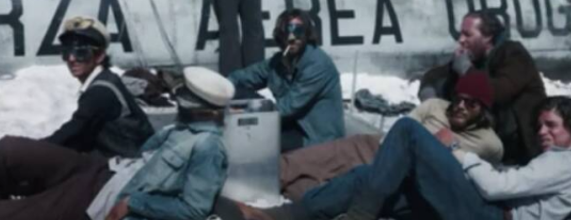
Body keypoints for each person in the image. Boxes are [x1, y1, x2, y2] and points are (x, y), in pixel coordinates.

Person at [0, 67, 235, 220]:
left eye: (185, 96)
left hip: (103, 197)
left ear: (200, 106)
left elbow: (194, 208)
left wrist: (133, 204)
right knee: (9, 150)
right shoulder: (182, 129)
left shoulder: (207, 147)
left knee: (12, 213)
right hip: (103, 171)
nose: (178, 99)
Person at [242, 95, 571, 220]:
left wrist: (456, 152)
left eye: (551, 126)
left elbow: (496, 187)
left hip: (490, 214)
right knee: (368, 178)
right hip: (486, 209)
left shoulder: (564, 161)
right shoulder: (556, 160)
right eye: (540, 125)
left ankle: (360, 216)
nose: (542, 132)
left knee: (407, 130)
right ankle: (286, 215)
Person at [0, 15, 154, 205]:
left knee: (25, 155)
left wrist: (30, 152)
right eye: (67, 51)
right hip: (117, 163)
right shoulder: (105, 80)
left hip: (122, 173)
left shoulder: (101, 92)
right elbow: (79, 136)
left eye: (81, 53)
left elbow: (71, 134)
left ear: (99, 56)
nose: (71, 59)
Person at [280, 71, 503, 200]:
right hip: (380, 147)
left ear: (483, 109)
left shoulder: (490, 145)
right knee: (313, 158)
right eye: (458, 99)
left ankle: (293, 197)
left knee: (319, 193)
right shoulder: (435, 106)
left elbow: (478, 181)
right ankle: (272, 176)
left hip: (403, 176)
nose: (461, 106)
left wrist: (450, 150)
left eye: (471, 103)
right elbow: (402, 128)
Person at [419, 10, 546, 164]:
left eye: (467, 34)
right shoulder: (475, 57)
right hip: (486, 138)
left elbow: (497, 93)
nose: (461, 40)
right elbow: (434, 76)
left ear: (487, 37)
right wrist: (430, 97)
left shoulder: (513, 54)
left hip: (520, 146)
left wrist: (466, 70)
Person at [228, 9, 344, 152]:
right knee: (236, 93)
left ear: (307, 33)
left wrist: (246, 112)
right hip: (290, 123)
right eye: (287, 31)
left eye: (298, 31)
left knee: (253, 139)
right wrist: (221, 88)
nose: (292, 37)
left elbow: (288, 107)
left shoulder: (317, 64)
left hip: (314, 136)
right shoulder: (281, 59)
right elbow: (246, 76)